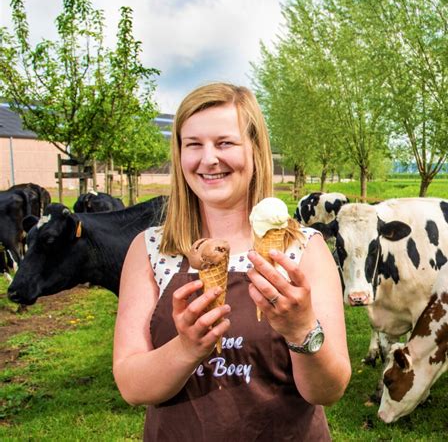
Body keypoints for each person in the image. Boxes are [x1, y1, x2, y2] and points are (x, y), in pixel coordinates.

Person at [113, 83, 351, 441]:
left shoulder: (304, 248)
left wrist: (301, 329)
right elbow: (132, 387)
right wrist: (187, 347)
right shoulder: (150, 250)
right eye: (193, 144)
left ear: (255, 150)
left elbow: (328, 391)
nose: (209, 159)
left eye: (225, 143)